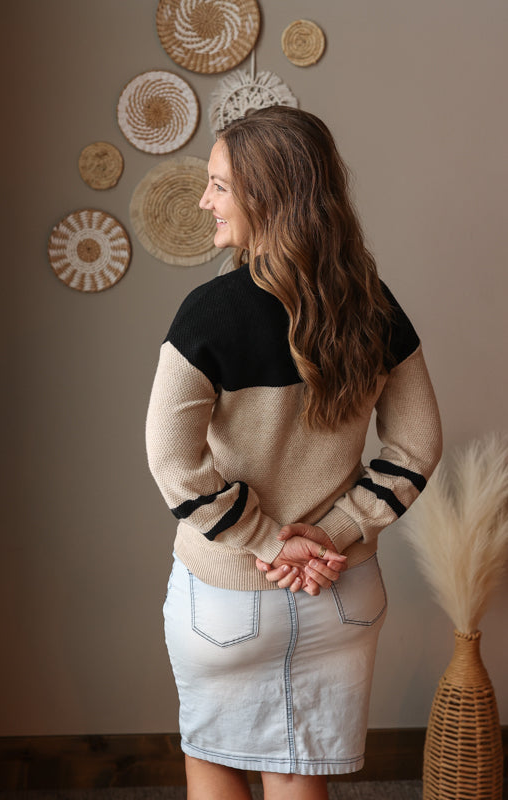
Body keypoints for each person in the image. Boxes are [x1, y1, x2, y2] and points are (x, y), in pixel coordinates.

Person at [146, 106, 442, 800]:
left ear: (265, 196)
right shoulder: (374, 307)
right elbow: (417, 446)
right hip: (340, 591)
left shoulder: (207, 313)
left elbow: (171, 463)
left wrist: (269, 542)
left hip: (228, 598)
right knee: (296, 771)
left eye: (219, 186)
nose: (203, 200)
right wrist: (334, 532)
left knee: (214, 762)